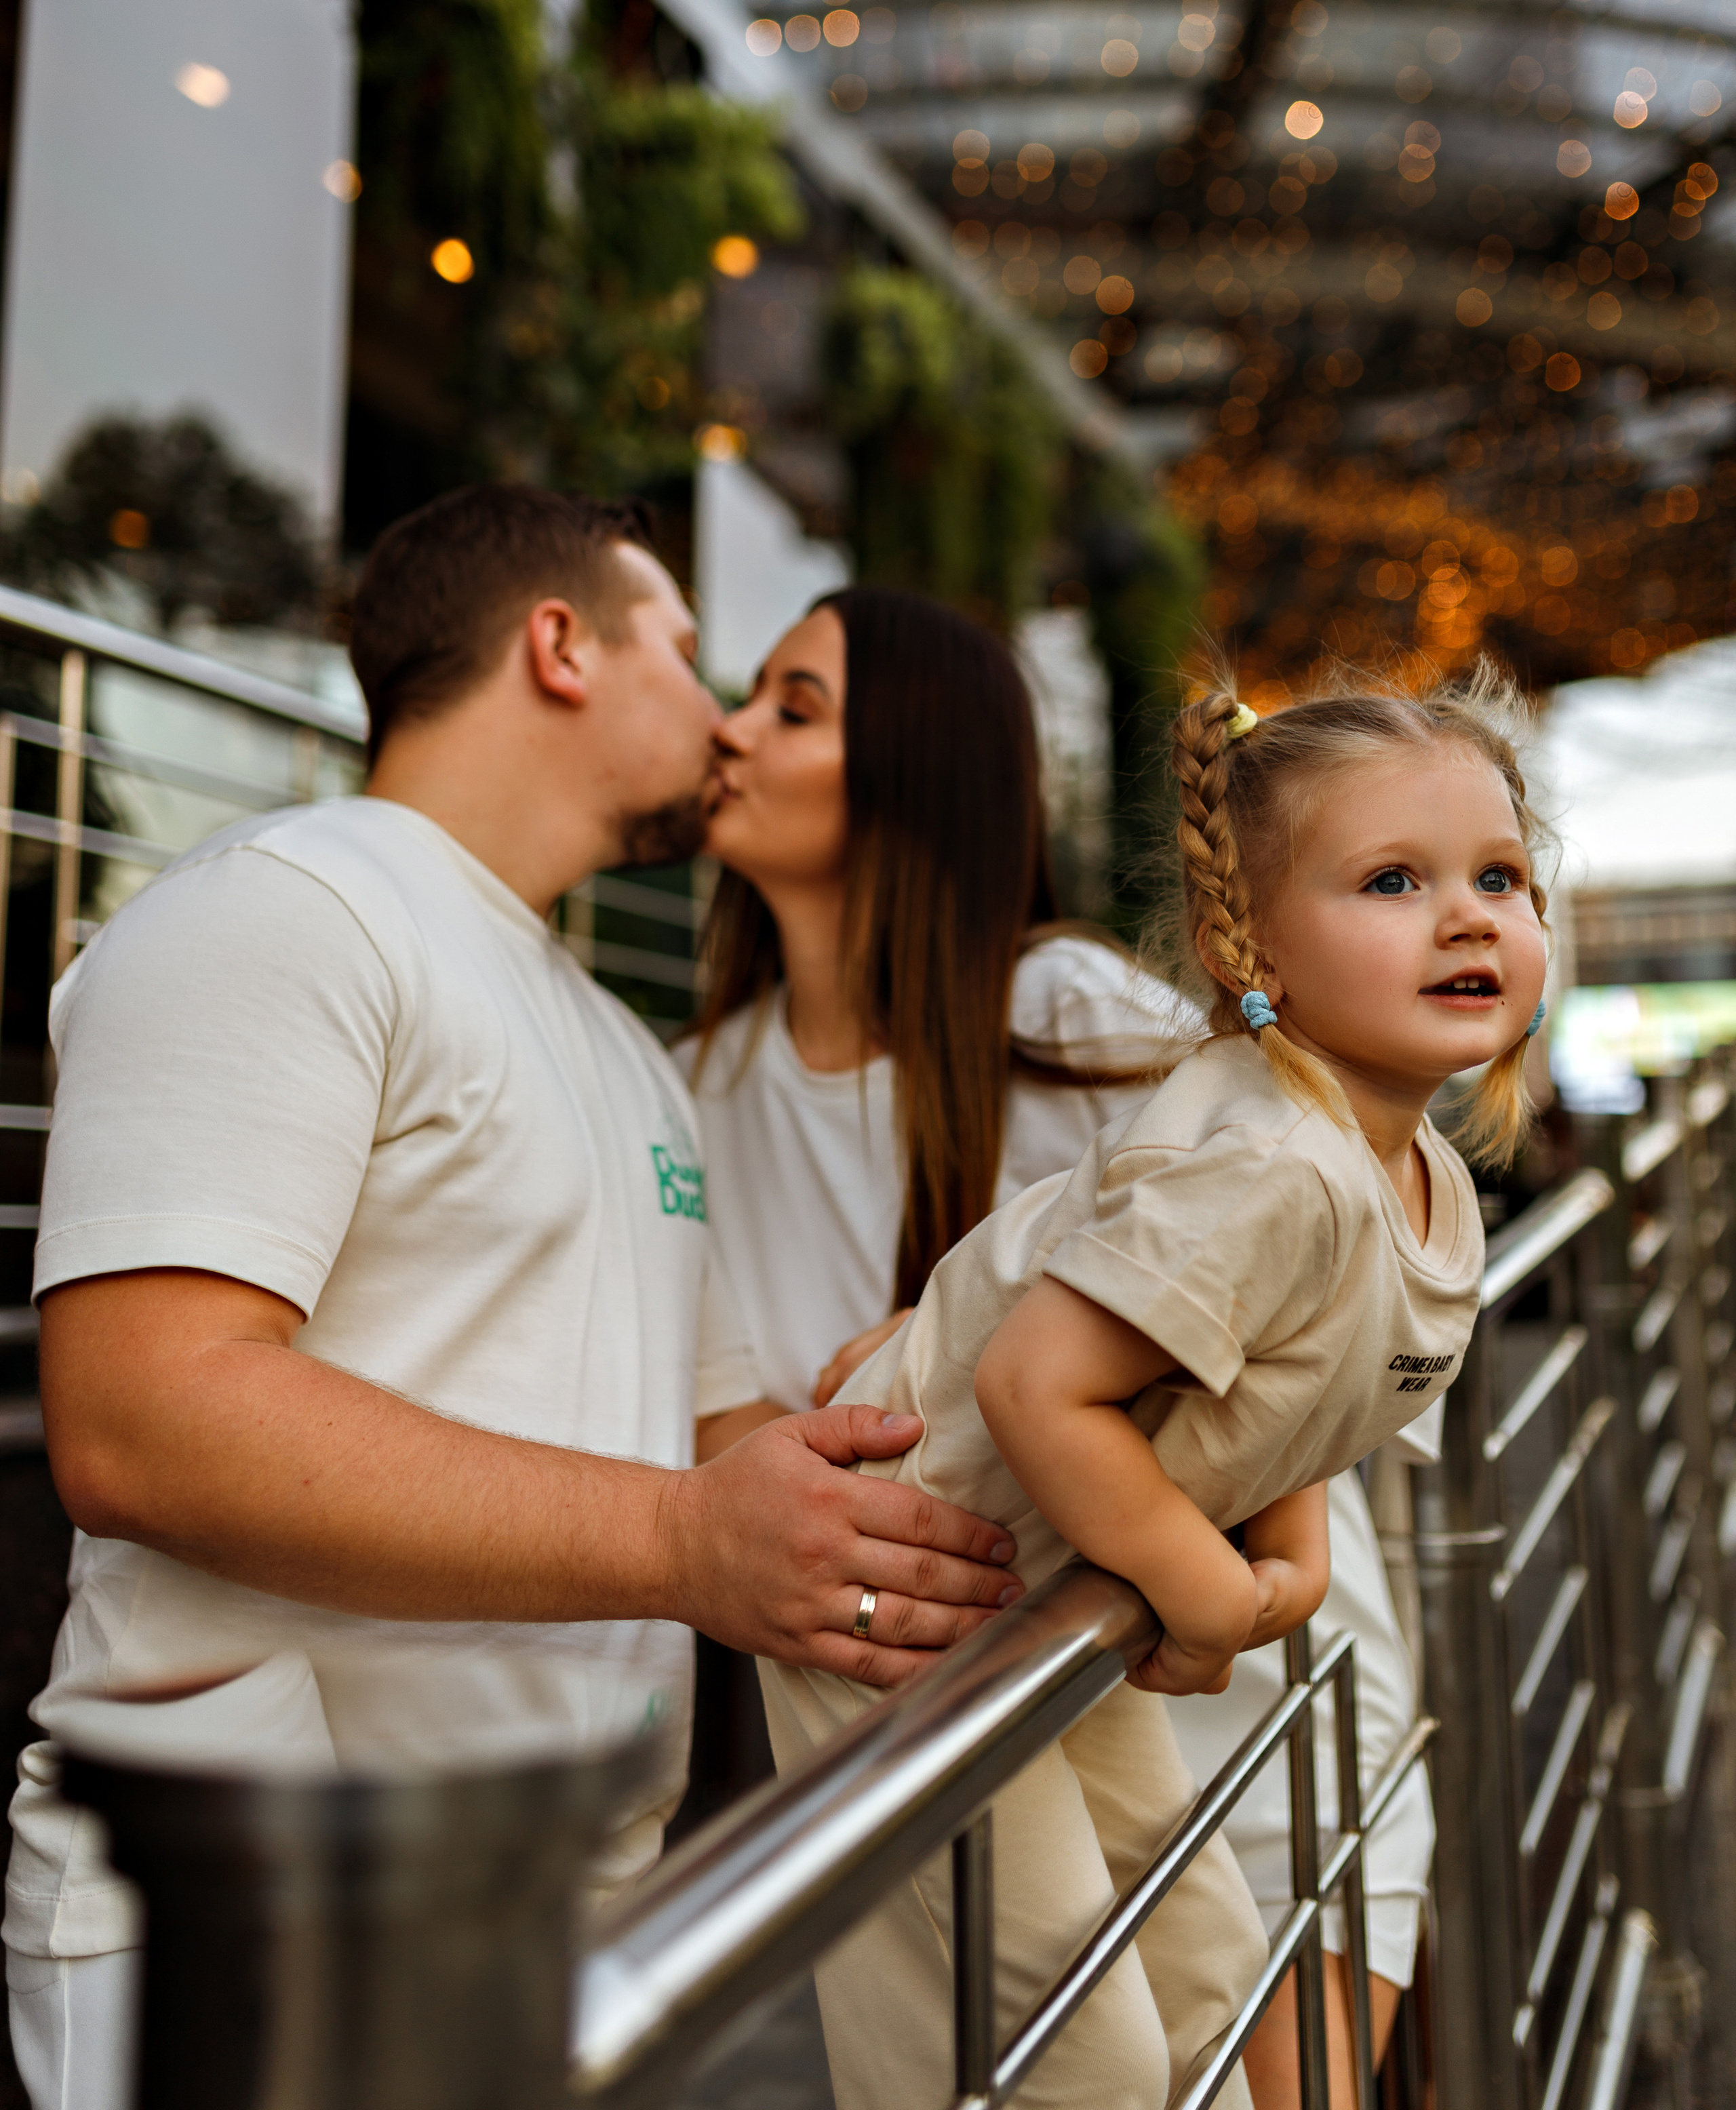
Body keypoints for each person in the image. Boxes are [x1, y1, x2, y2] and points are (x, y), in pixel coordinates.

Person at [4, 487, 1023, 2110]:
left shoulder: (624, 1050)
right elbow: (141, 1421)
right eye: (688, 659)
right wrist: (689, 1542)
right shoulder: (288, 907)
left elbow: (719, 1438)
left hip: (573, 1939)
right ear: (560, 646)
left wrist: (1011, 1450)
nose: (717, 719)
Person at [757, 660, 1550, 2110]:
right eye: (1389, 881)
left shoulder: (1408, 1172)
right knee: (1081, 2062)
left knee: (1204, 1993)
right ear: (1251, 945)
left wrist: (1286, 1568)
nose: (1464, 914)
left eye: (1499, 875)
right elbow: (1034, 1382)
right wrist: (1201, 1587)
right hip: (909, 1588)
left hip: (1034, 1583)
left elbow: (1300, 1395)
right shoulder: (1270, 1168)